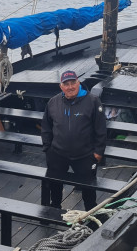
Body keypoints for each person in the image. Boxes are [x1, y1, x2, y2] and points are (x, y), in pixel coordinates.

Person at [40, 70, 106, 209]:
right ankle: (55, 208)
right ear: (61, 87)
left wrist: (98, 152)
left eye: (73, 83)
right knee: (55, 184)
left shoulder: (93, 101)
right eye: (66, 84)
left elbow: (101, 129)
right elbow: (46, 126)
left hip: (85, 155)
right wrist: (48, 149)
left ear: (78, 83)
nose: (70, 87)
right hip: (58, 154)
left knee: (88, 187)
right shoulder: (53, 102)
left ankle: (90, 212)